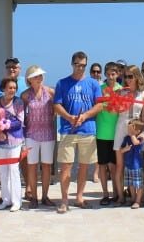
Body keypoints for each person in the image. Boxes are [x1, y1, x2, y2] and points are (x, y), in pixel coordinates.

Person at [53, 51, 103, 213]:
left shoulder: (93, 84)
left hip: (88, 129)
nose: (80, 68)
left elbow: (99, 105)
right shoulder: (62, 83)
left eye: (83, 65)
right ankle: (64, 199)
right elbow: (57, 105)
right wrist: (69, 117)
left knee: (84, 166)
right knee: (66, 166)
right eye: (77, 65)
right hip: (68, 130)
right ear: (72, 64)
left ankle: (79, 197)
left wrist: (85, 116)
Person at [21, 65, 56, 209]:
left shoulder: (50, 92)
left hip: (48, 133)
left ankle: (45, 196)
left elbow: (56, 110)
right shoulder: (25, 95)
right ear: (29, 79)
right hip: (31, 134)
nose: (39, 78)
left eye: (40, 75)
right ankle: (34, 197)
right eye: (36, 76)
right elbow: (21, 114)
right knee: (32, 166)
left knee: (47, 166)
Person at [113, 65, 144, 207]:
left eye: (130, 76)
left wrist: (143, 132)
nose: (127, 79)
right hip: (121, 127)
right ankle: (121, 197)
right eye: (125, 76)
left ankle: (140, 197)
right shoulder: (121, 92)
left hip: (136, 129)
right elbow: (114, 110)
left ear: (136, 77)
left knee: (138, 165)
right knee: (120, 166)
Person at [0, 77, 24, 212]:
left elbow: (20, 121)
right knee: (3, 171)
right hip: (1, 142)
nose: (12, 90)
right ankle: (6, 199)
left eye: (14, 88)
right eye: (10, 88)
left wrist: (6, 126)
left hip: (15, 141)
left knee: (13, 170)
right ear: (4, 88)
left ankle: (17, 201)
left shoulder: (18, 102)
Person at [96, 62, 122, 206]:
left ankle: (116, 193)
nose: (111, 77)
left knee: (115, 166)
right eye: (109, 74)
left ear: (118, 74)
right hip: (102, 132)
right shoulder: (99, 89)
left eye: (114, 74)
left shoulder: (122, 90)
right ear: (105, 74)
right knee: (102, 165)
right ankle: (105, 194)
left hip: (117, 133)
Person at [119, 119, 144, 209]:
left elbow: (136, 142)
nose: (129, 131)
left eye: (131, 129)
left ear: (137, 131)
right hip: (128, 165)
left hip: (136, 166)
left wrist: (132, 135)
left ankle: (138, 201)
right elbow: (121, 150)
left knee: (138, 184)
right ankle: (133, 199)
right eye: (128, 129)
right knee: (130, 183)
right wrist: (125, 149)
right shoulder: (126, 138)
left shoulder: (140, 138)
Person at [89, 62, 102, 182]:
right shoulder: (87, 84)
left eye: (98, 72)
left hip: (102, 120)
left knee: (99, 148)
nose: (96, 74)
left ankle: (96, 173)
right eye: (94, 71)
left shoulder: (103, 86)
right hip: (89, 119)